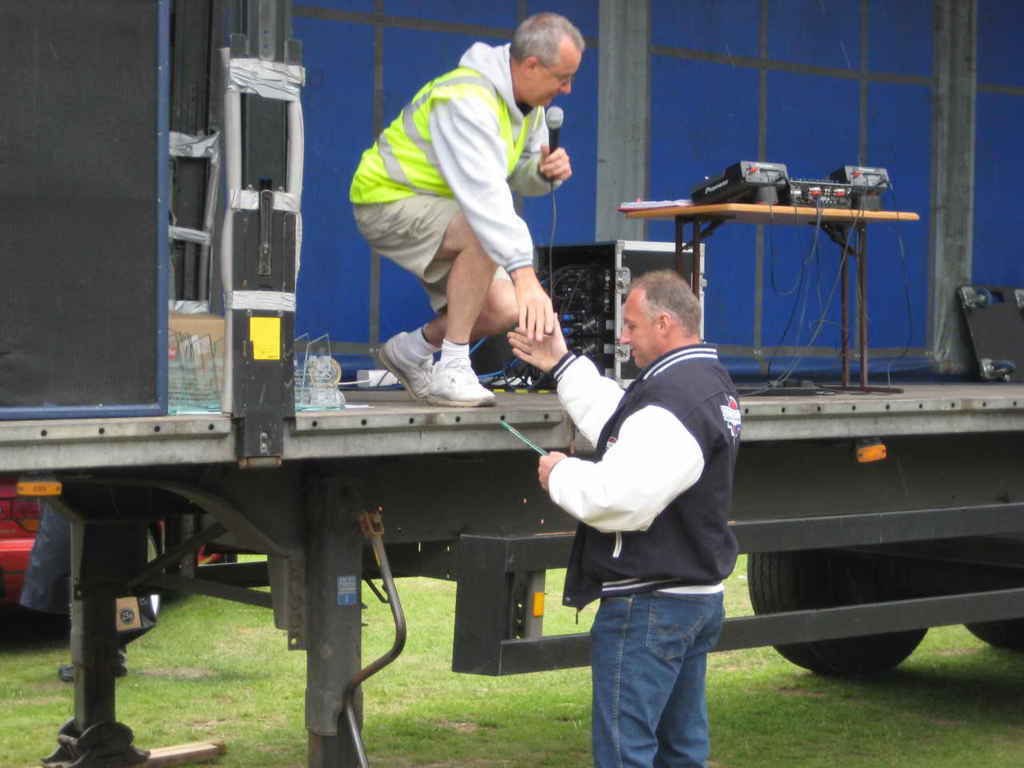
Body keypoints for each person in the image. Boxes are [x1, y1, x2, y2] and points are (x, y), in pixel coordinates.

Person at [508, 270, 742, 768]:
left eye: (632, 325)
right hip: (687, 598)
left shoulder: (675, 400)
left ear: (664, 323)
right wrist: (562, 363)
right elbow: (628, 428)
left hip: (651, 606)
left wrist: (561, 474)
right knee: (681, 750)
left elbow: (622, 500)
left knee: (625, 754)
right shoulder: (699, 383)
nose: (624, 336)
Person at [349, 12, 583, 407]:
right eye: (563, 77)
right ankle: (454, 367)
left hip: (444, 210)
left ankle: (411, 351)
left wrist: (541, 172)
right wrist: (525, 276)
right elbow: (486, 201)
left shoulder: (530, 107)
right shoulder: (466, 100)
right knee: (484, 233)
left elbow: (520, 178)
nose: (568, 88)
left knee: (507, 309)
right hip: (384, 199)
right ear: (530, 65)